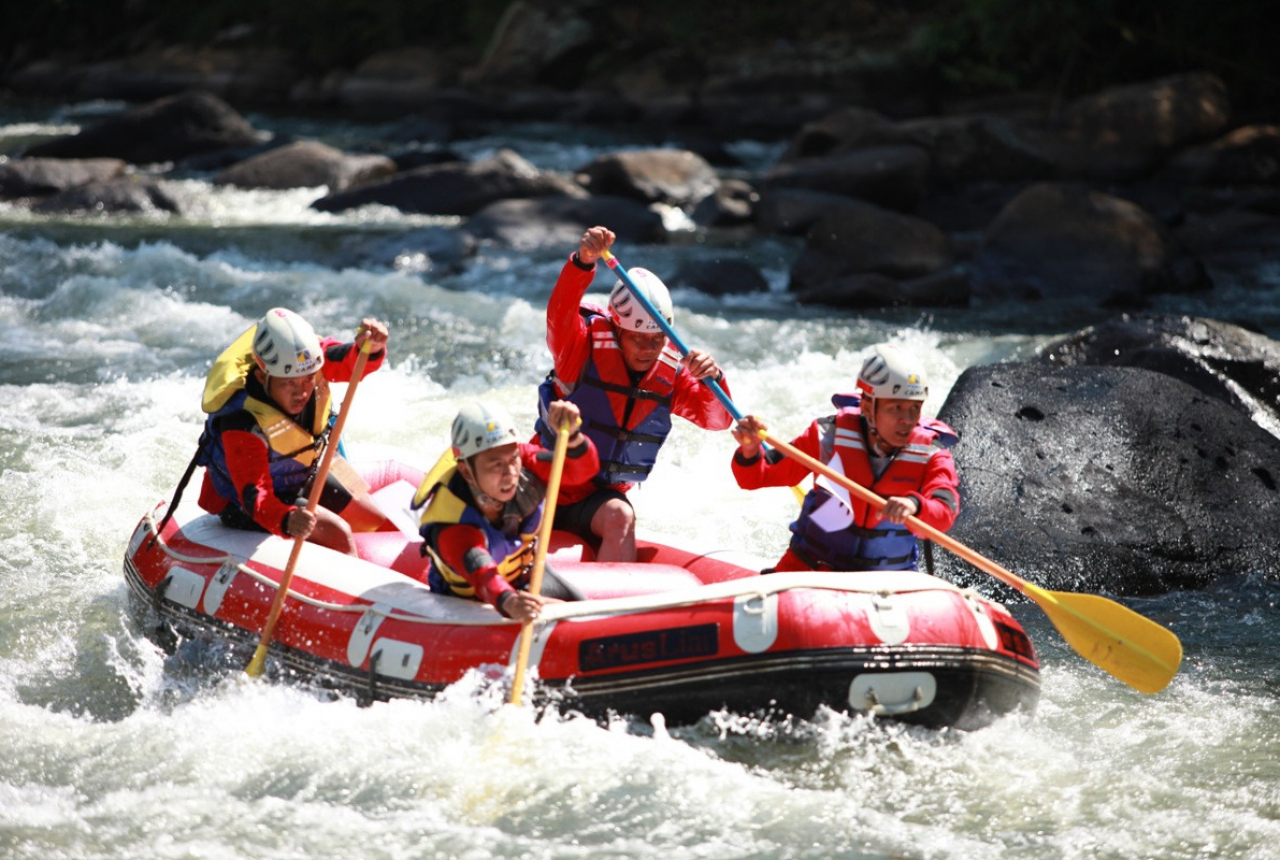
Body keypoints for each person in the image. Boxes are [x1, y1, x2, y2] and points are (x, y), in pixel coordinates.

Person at [533, 225, 733, 562]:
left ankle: (608, 604)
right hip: (543, 486)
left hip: (596, 501)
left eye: (656, 339)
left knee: (621, 516)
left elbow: (717, 421)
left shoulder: (671, 374)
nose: (648, 348)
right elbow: (560, 313)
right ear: (616, 329)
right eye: (637, 338)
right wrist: (583, 262)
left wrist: (714, 379)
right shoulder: (578, 351)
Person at [731, 344, 960, 572]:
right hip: (812, 569)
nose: (907, 419)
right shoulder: (827, 435)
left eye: (914, 408)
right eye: (896, 408)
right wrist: (750, 451)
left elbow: (945, 511)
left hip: (886, 581)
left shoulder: (931, 454)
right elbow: (756, 477)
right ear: (868, 406)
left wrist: (915, 505)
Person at [195, 307, 392, 555]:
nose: (301, 392)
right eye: (289, 383)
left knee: (374, 519)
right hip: (244, 504)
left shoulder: (308, 362)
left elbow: (350, 360)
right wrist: (286, 520)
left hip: (303, 473)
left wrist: (370, 349)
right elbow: (255, 496)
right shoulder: (242, 422)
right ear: (262, 376)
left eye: (308, 379)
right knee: (337, 532)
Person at [413, 400, 599, 624]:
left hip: (523, 577)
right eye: (495, 465)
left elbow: (581, 471)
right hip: (468, 602)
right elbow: (484, 577)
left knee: (589, 616)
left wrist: (572, 436)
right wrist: (510, 602)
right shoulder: (452, 521)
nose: (510, 473)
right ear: (466, 471)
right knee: (560, 613)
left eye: (513, 459)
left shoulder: (523, 459)